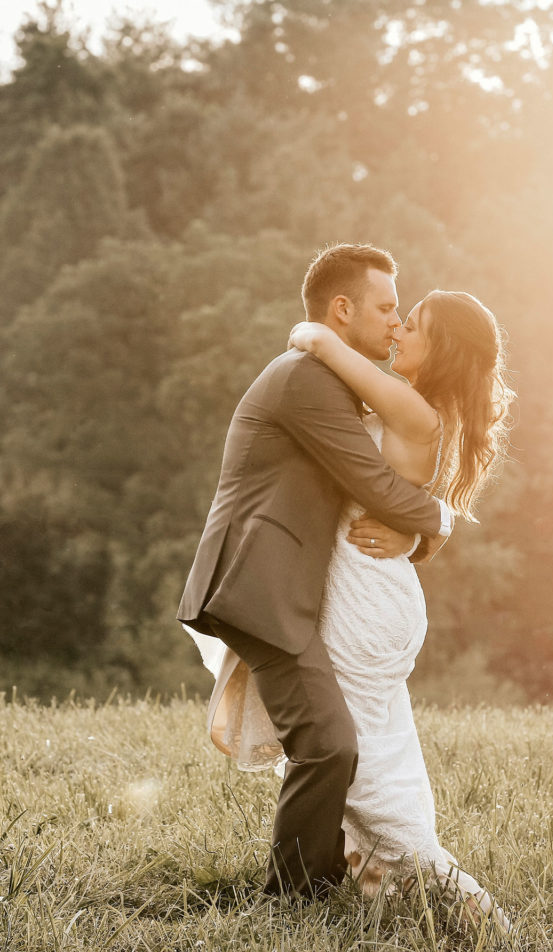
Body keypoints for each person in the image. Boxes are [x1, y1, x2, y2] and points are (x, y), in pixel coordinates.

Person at [177, 243, 453, 899]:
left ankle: (325, 874)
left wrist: (408, 543)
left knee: (332, 740)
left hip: (286, 590)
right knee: (329, 744)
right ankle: (295, 895)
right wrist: (439, 522)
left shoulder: (328, 380)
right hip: (259, 588)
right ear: (341, 309)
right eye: (386, 308)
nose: (394, 321)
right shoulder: (305, 379)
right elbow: (378, 488)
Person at [287, 289, 513, 929]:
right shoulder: (421, 407)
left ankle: (455, 895)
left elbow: (322, 343)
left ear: (438, 350)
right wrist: (421, 531)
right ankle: (378, 884)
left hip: (366, 602)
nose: (397, 332)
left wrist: (326, 328)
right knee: (381, 750)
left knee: (355, 756)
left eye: (410, 325)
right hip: (379, 593)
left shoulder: (411, 406)